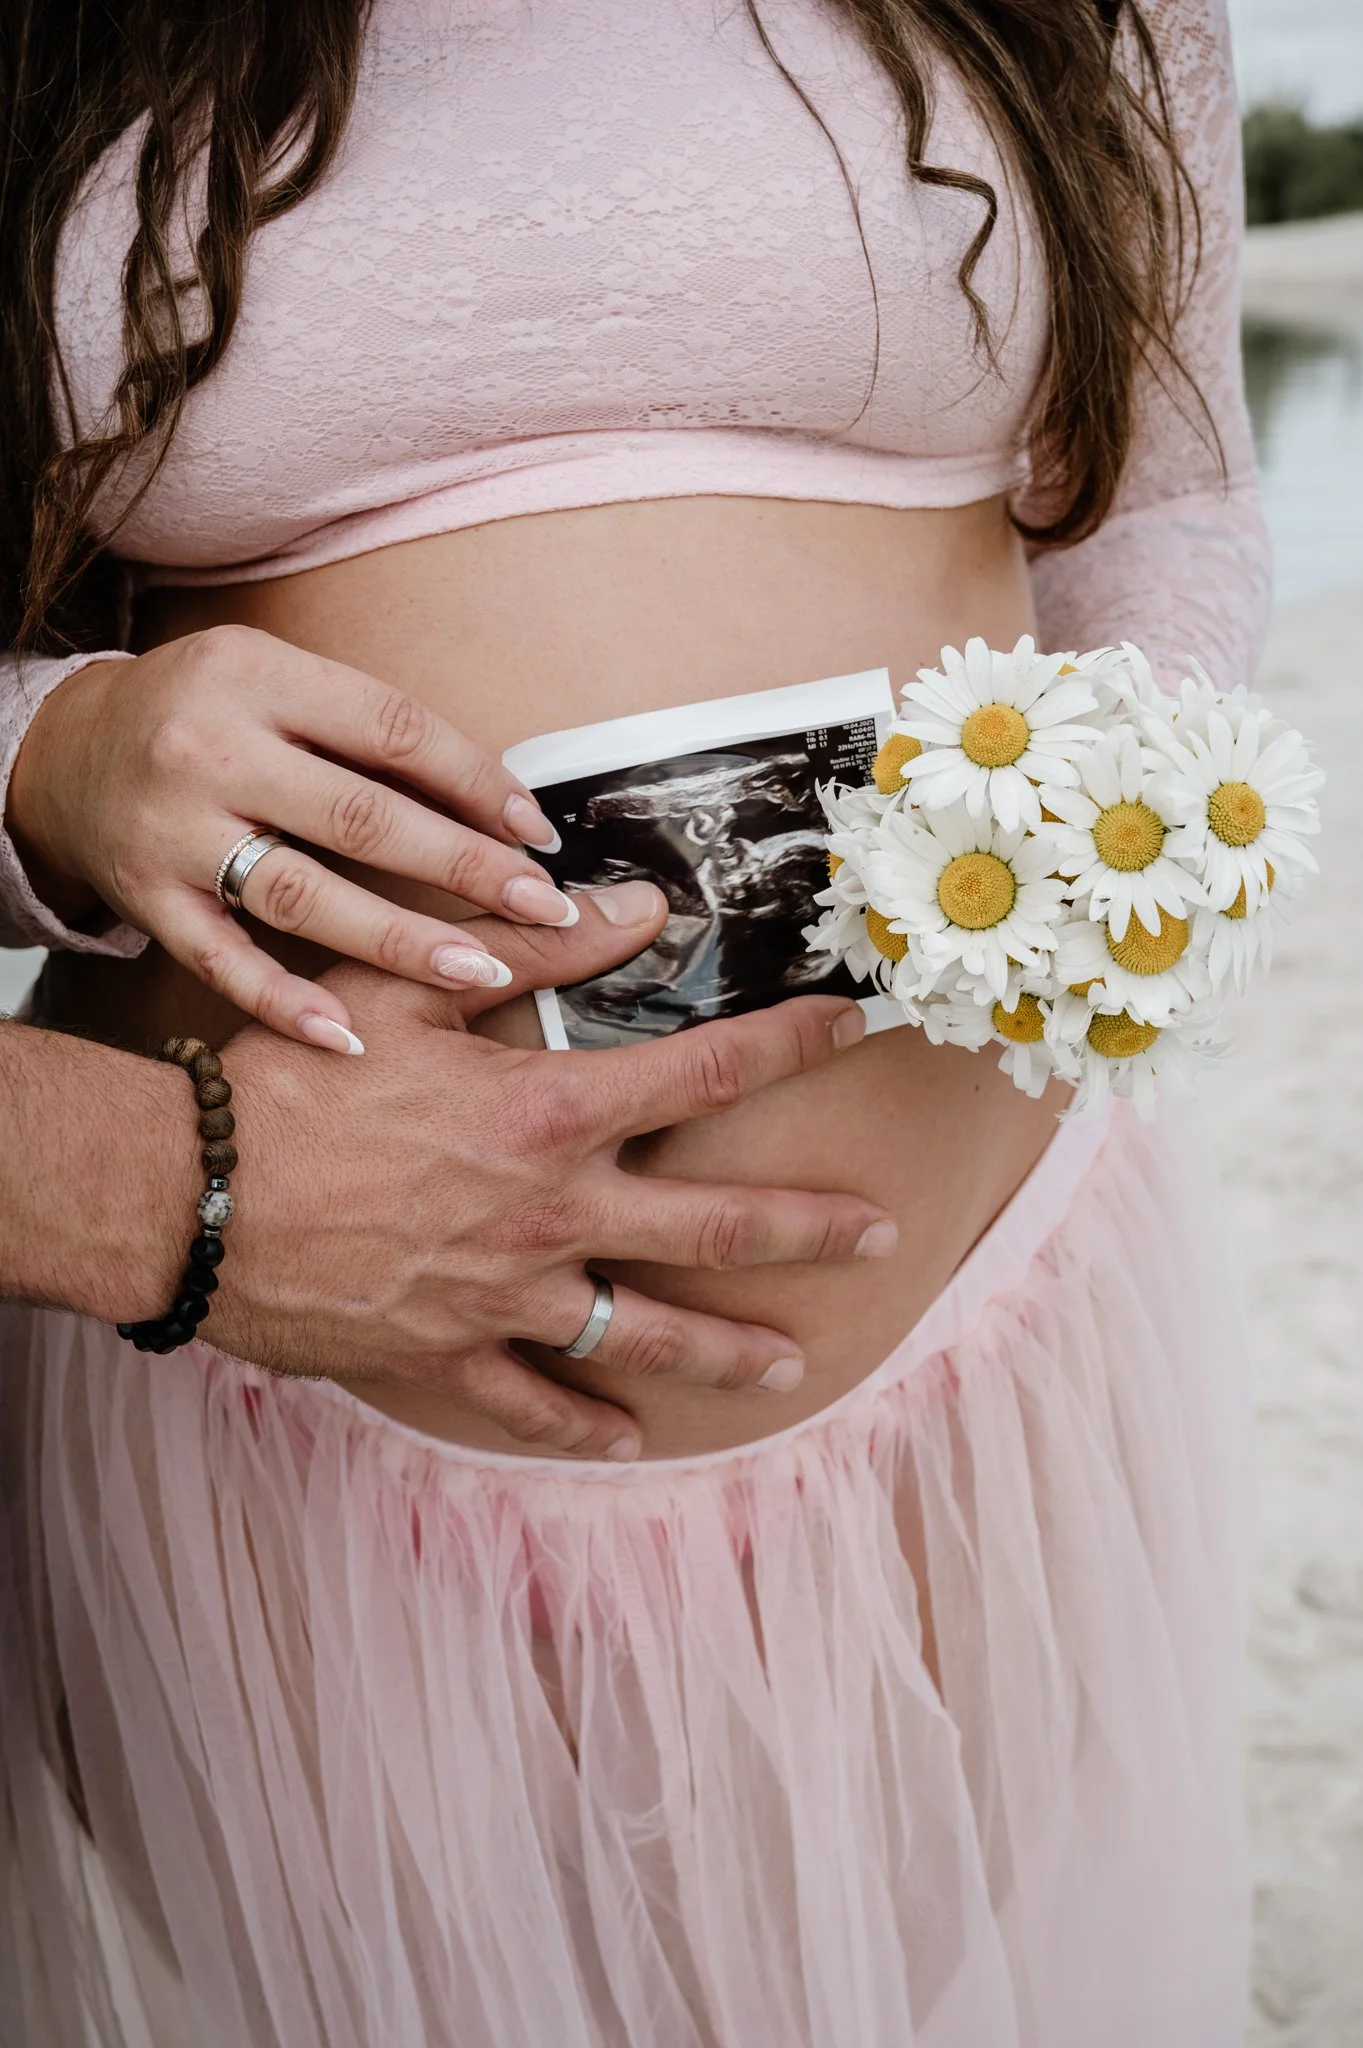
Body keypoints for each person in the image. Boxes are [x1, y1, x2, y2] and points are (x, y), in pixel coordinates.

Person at [0, 0, 1268, 2041]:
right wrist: (38, 752)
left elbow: (1172, 512)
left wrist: (1148, 810)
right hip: (278, 1410)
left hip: (982, 1361)